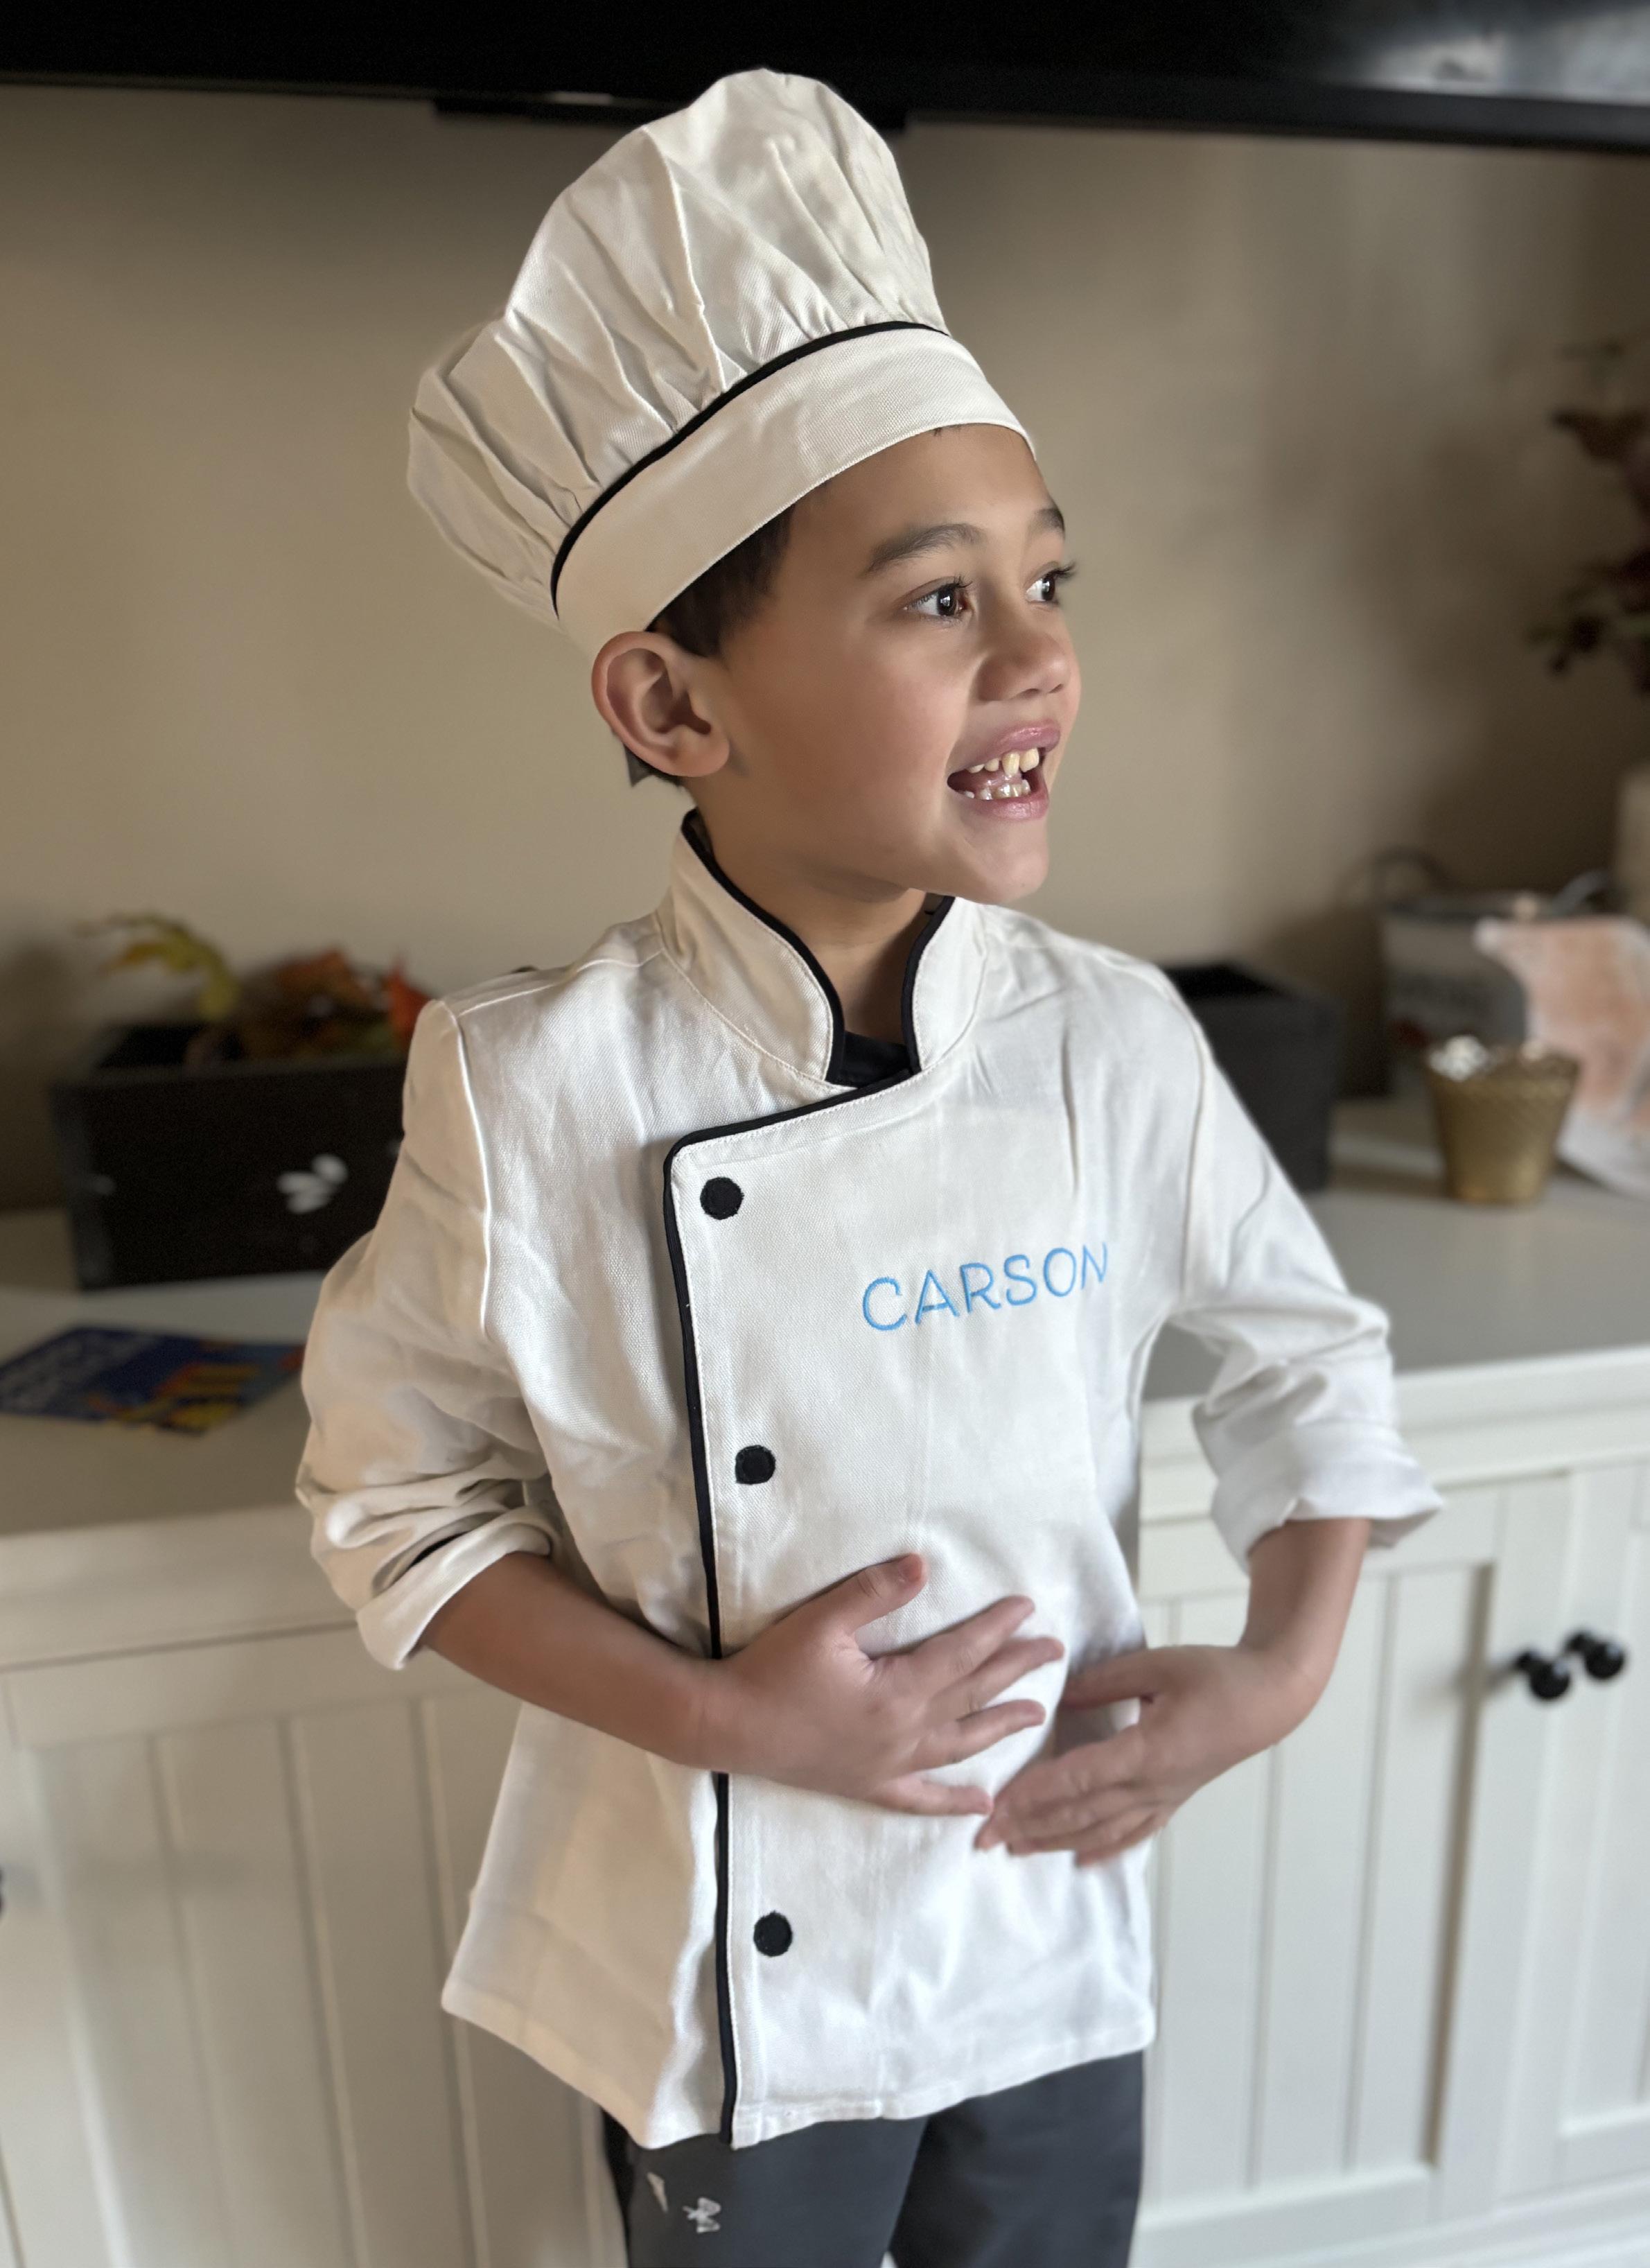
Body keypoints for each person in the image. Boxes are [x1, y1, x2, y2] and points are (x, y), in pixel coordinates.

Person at [295, 67, 1443, 2268]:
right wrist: (729, 1718)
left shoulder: (1112, 1041)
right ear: (674, 708)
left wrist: (1276, 1674)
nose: (1042, 656)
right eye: (937, 602)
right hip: (725, 1978)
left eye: (1049, 578)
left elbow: (1309, 1362)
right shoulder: (532, 1083)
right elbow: (396, 1504)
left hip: (1043, 1916)